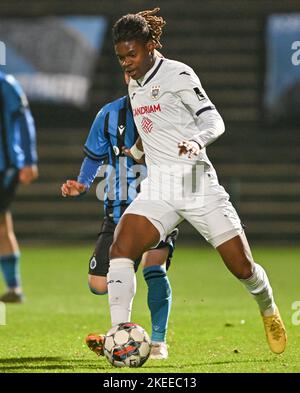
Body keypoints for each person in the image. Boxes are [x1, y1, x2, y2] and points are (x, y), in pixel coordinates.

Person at [106, 7, 287, 355]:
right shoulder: (133, 82)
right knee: (122, 247)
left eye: (132, 54)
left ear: (150, 44)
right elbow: (155, 125)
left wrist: (196, 141)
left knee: (243, 267)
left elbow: (214, 120)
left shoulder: (178, 74)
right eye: (120, 57)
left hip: (196, 184)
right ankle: (120, 335)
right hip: (159, 187)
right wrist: (138, 150)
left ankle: (267, 306)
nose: (126, 63)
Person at [61, 92, 177, 359]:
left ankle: (157, 342)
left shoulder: (168, 110)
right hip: (118, 211)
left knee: (153, 268)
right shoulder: (108, 115)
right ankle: (122, 335)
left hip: (159, 206)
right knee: (98, 284)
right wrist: (82, 183)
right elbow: (93, 157)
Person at [0, 72, 38, 303]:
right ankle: (14, 288)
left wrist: (30, 160)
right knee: (3, 225)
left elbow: (24, 120)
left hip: (5, 166)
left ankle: (14, 287)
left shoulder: (5, 84)